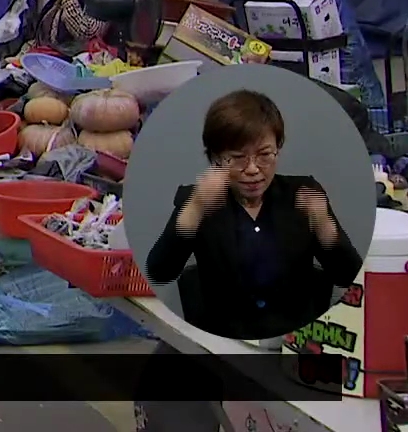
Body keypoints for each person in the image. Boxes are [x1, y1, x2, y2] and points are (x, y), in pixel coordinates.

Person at [144, 89, 364, 341]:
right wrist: (194, 210)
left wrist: (325, 227)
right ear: (216, 158)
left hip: (294, 340)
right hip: (224, 340)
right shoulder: (196, 200)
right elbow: (159, 273)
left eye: (264, 155)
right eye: (237, 158)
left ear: (278, 149)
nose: (252, 169)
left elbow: (348, 276)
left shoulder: (304, 193)